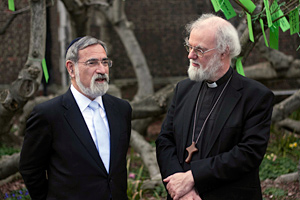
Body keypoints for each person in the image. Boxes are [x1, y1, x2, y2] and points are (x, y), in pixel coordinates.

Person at [156, 14, 274, 200]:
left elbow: (248, 153)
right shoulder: (183, 89)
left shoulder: (255, 96)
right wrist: (179, 187)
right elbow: (165, 140)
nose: (190, 55)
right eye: (190, 46)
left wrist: (194, 176)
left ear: (223, 51)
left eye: (200, 50)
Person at [19, 36, 132, 200]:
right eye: (92, 63)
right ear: (71, 68)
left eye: (105, 62)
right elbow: (30, 168)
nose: (101, 70)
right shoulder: (49, 114)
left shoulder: (122, 109)